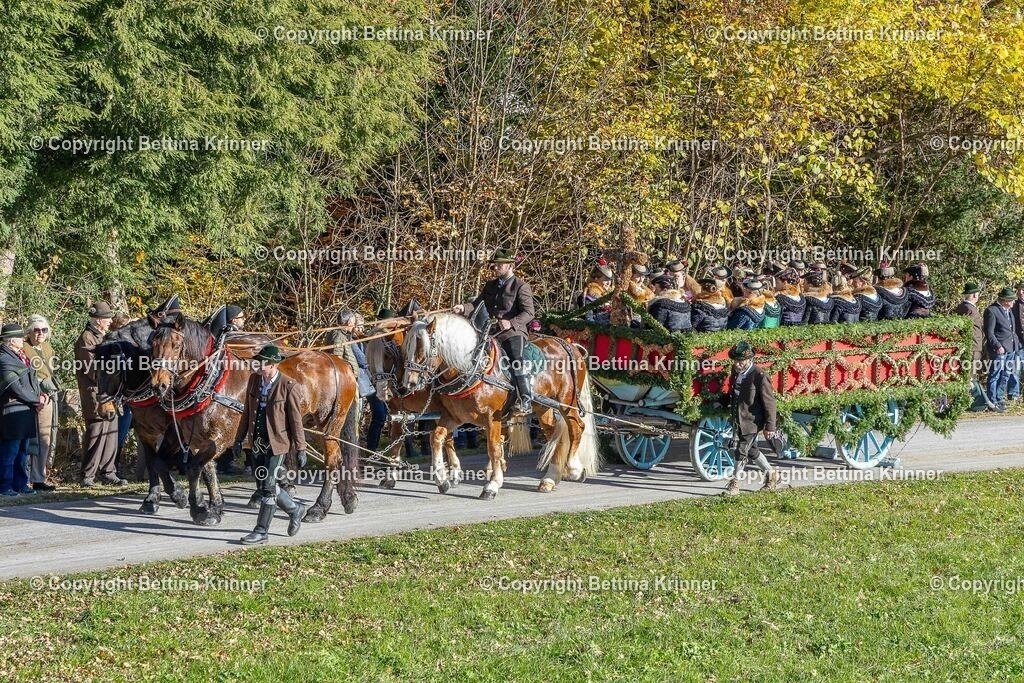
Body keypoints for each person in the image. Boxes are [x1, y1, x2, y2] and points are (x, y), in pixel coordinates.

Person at [235, 345, 306, 545]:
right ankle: (295, 509)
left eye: (262, 363)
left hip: (278, 445)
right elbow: (247, 413)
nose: (258, 366)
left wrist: (301, 447)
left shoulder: (288, 386)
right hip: (257, 441)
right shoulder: (254, 380)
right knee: (263, 484)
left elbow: (296, 420)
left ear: (273, 365)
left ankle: (261, 532)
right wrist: (239, 439)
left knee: (268, 487)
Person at [453, 248, 536, 414]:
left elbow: (529, 313)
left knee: (516, 358)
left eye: (499, 265)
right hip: (490, 332)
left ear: (510, 265)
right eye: (494, 265)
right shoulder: (490, 285)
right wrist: (463, 308)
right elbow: (477, 305)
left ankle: (526, 399)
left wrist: (511, 322)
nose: (495, 268)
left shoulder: (521, 286)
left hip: (513, 332)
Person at [75, 301, 123, 487]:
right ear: (97, 320)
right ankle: (88, 475)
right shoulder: (87, 338)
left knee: (111, 431)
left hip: (109, 392)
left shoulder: (105, 337)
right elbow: (91, 369)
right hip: (95, 392)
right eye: (107, 318)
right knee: (96, 432)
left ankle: (108, 472)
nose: (110, 320)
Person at [723, 341, 781, 496]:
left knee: (741, 450)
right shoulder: (736, 372)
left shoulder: (760, 376)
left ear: (749, 360)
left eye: (740, 361)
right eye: (735, 361)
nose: (737, 364)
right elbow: (734, 394)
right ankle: (771, 474)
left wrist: (770, 427)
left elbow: (770, 403)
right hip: (739, 419)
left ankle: (735, 484)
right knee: (752, 450)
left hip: (752, 421)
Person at [0, 323, 46, 497]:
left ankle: (20, 484)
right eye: (20, 337)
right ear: (12, 340)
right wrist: (36, 400)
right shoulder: (4, 359)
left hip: (25, 410)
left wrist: (40, 396)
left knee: (22, 451)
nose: (22, 340)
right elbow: (15, 388)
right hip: (12, 412)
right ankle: (4, 487)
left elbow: (31, 381)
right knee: (9, 451)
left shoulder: (20, 356)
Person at [23, 315, 59, 491]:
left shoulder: (47, 347)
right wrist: (39, 395)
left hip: (48, 397)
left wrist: (47, 394)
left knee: (45, 438)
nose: (40, 333)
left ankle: (38, 478)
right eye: (36, 330)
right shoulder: (23, 348)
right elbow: (26, 377)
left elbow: (49, 374)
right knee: (30, 440)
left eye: (44, 330)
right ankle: (24, 478)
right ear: (29, 331)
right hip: (31, 399)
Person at [955, 283, 991, 410]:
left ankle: (974, 402)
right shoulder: (969, 309)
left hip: (973, 346)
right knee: (970, 376)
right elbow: (968, 330)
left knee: (971, 375)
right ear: (975, 295)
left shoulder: (963, 307)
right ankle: (972, 403)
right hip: (973, 347)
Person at [983, 287, 1020, 412]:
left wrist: (1016, 345)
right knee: (995, 374)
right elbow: (989, 332)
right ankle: (992, 401)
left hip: (1011, 348)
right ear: (1005, 300)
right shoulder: (991, 311)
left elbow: (1011, 330)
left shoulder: (1008, 310)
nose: (1014, 302)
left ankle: (999, 399)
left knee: (1006, 374)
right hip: (999, 350)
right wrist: (997, 346)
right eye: (1012, 300)